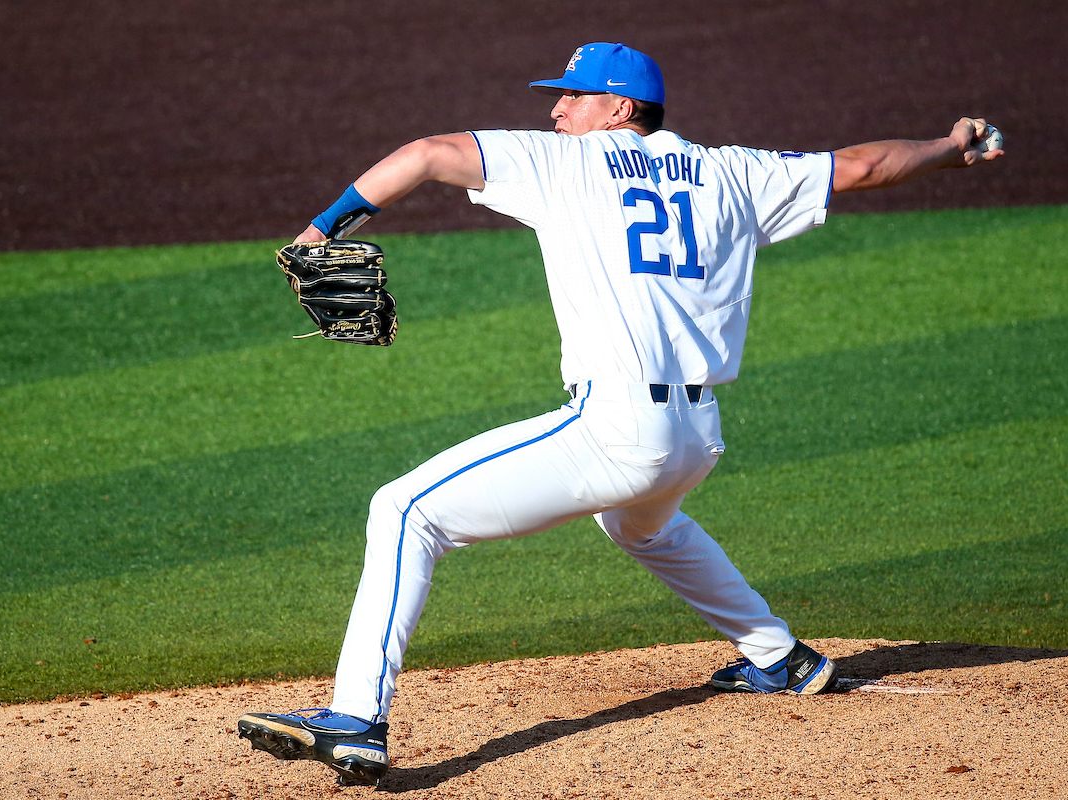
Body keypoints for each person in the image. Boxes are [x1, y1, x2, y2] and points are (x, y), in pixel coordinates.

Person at [238, 42, 1004, 787]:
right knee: (642, 524)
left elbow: (428, 152)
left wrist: (321, 230)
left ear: (621, 108)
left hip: (618, 428)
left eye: (573, 96)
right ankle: (780, 657)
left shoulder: (564, 162)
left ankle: (355, 719)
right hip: (695, 438)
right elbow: (864, 166)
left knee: (404, 510)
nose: (558, 109)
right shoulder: (731, 171)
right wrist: (947, 145)